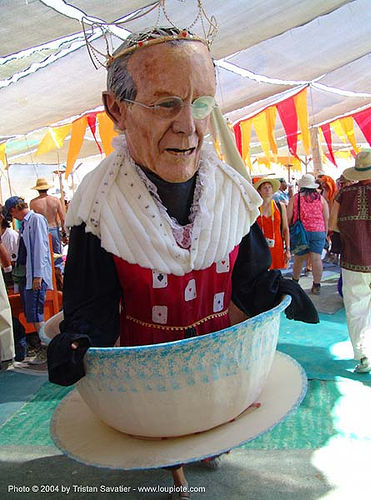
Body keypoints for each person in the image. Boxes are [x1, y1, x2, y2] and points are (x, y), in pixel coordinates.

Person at [46, 27, 318, 497]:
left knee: (208, 423)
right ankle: (172, 467)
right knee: (162, 433)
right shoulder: (99, 206)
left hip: (218, 355)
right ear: (117, 109)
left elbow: (248, 278)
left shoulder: (232, 192)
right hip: (143, 363)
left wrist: (274, 292)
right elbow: (91, 298)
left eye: (201, 104)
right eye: (165, 103)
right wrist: (79, 334)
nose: (189, 126)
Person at [329, 150, 371, 373]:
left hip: (353, 261)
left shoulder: (342, 194)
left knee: (357, 309)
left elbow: (333, 225)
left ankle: (364, 356)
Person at [3, 196, 53, 367]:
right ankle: (44, 346)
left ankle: (47, 347)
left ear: (13, 210)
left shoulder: (36, 220)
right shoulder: (26, 223)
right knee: (32, 312)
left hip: (35, 275)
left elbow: (40, 247)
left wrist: (38, 275)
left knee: (36, 311)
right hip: (29, 275)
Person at [287, 174, 329, 295]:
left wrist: (289, 230)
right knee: (316, 259)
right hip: (318, 232)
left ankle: (295, 282)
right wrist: (325, 233)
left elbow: (289, 216)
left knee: (299, 259)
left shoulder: (296, 198)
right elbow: (326, 217)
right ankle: (316, 285)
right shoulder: (321, 199)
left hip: (301, 233)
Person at [30, 178, 66, 290]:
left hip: (42, 231)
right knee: (58, 259)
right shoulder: (55, 200)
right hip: (54, 229)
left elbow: (33, 220)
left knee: (44, 258)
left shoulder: (34, 203)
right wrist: (64, 234)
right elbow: (63, 218)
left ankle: (50, 286)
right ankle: (60, 284)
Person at [254, 177, 290, 270]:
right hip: (260, 246)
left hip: (277, 246)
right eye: (264, 187)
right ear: (259, 191)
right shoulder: (255, 208)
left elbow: (285, 229)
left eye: (269, 187)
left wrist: (288, 249)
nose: (267, 190)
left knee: (276, 275)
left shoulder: (280, 206)